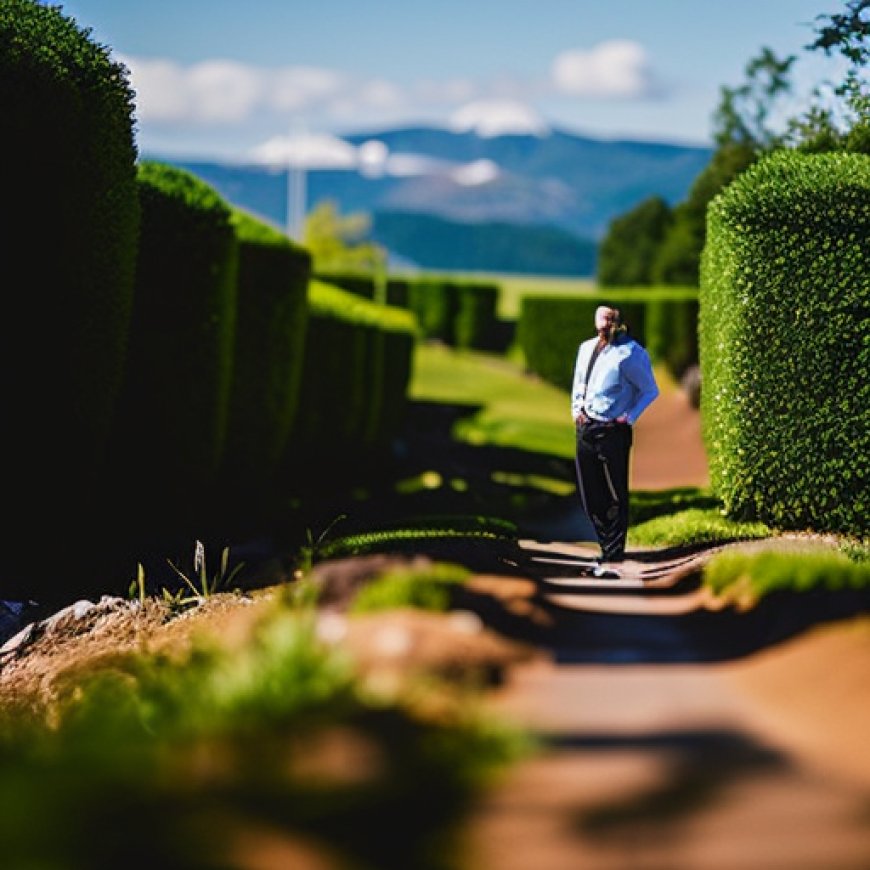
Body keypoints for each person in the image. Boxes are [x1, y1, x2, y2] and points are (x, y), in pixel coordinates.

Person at [571, 305, 659, 577]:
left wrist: (628, 418)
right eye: (602, 317)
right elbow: (578, 382)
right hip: (586, 427)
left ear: (619, 322)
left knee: (615, 492)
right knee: (590, 494)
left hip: (613, 430)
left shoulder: (631, 353)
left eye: (611, 318)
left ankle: (612, 552)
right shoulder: (586, 348)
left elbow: (649, 390)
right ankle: (605, 543)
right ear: (595, 319)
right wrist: (576, 411)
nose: (606, 322)